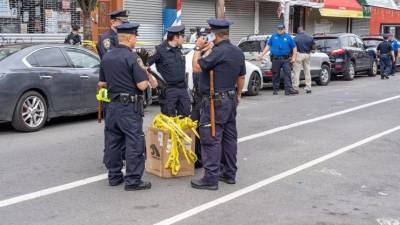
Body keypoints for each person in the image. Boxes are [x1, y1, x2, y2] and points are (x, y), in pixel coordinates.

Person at [98, 22, 158, 191]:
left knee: (113, 141)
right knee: (134, 142)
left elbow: (102, 83)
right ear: (130, 38)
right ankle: (133, 180)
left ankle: (114, 176)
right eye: (135, 37)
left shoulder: (107, 57)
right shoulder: (133, 57)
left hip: (112, 106)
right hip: (129, 107)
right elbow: (141, 85)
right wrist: (146, 77)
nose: (136, 40)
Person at [191, 18, 245, 190]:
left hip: (215, 101)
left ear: (214, 34)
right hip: (230, 98)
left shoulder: (218, 52)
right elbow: (241, 77)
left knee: (211, 138)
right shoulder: (237, 52)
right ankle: (229, 173)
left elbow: (196, 68)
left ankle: (210, 178)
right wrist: (237, 95)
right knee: (229, 138)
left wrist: (198, 48)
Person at [147, 25, 191, 117]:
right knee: (169, 120)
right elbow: (143, 66)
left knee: (185, 118)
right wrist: (153, 80)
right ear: (175, 37)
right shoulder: (159, 50)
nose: (184, 38)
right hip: (168, 90)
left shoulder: (180, 49)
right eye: (182, 36)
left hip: (182, 89)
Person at [258, 24, 298, 95]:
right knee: (275, 74)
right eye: (278, 29)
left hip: (286, 59)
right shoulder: (273, 36)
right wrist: (262, 54)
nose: (280, 30)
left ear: (284, 29)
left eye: (281, 29)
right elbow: (268, 46)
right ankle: (275, 89)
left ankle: (287, 90)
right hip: (275, 59)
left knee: (287, 74)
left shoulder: (288, 37)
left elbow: (294, 47)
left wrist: (294, 57)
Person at [293, 26, 315, 94]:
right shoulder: (310, 37)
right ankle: (308, 88)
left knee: (296, 72)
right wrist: (311, 50)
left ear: (298, 31)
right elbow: (314, 47)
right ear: (303, 30)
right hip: (307, 55)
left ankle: (296, 88)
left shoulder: (295, 38)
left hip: (299, 55)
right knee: (307, 71)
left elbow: (293, 48)